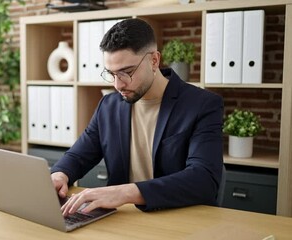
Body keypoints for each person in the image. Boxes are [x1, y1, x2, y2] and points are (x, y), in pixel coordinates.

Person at [50, 18, 224, 216]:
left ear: (154, 60)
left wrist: (126, 192)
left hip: (179, 219)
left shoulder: (202, 105)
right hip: (123, 220)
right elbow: (78, 156)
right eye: (111, 74)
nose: (118, 85)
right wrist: (59, 175)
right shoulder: (108, 106)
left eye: (126, 72)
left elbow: (204, 180)